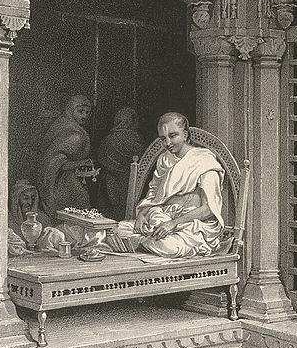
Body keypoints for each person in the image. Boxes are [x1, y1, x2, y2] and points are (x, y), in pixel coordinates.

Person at [119, 112, 225, 258]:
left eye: (173, 136)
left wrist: (174, 223)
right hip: (161, 217)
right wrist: (142, 216)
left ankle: (142, 242)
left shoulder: (204, 161)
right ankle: (146, 240)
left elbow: (209, 209)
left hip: (191, 224)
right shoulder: (164, 159)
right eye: (163, 138)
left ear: (185, 135)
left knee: (167, 246)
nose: (167, 143)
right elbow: (153, 195)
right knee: (118, 230)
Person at [39, 96, 94, 218]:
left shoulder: (74, 128)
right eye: (80, 111)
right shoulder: (72, 132)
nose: (84, 116)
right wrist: (81, 163)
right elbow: (56, 161)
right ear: (70, 110)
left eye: (87, 112)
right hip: (58, 180)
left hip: (69, 177)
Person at [97, 107, 145, 220]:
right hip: (129, 182)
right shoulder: (136, 138)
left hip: (108, 181)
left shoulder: (108, 139)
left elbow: (100, 157)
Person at [7, 179, 65, 256]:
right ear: (15, 199)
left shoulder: (42, 218)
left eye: (33, 198)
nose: (30, 202)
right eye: (25, 198)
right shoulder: (6, 220)